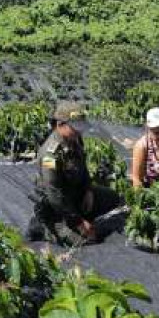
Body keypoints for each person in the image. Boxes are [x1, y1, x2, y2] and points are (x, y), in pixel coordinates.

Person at [27, 101, 122, 245]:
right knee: (85, 241)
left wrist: (88, 191)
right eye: (75, 127)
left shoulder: (74, 140)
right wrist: (79, 223)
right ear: (60, 125)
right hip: (57, 209)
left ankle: (82, 214)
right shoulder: (50, 155)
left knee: (114, 199)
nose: (79, 131)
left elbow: (82, 168)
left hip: (76, 195)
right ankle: (44, 228)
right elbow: (54, 194)